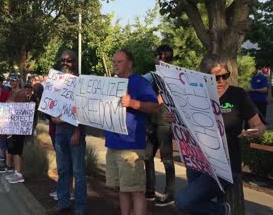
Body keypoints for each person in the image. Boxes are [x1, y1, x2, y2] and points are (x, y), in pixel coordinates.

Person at [174, 54, 266, 215]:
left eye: (225, 76)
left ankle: (221, 210)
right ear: (204, 76)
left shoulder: (238, 95)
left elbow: (258, 125)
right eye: (215, 78)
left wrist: (257, 130)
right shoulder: (195, 95)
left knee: (183, 201)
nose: (221, 81)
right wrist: (173, 118)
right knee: (194, 207)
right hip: (198, 162)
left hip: (226, 166)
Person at [104, 50, 159, 215]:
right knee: (122, 188)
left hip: (131, 146)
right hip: (113, 144)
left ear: (130, 63)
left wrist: (133, 103)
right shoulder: (111, 83)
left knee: (136, 190)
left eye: (119, 61)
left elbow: (155, 106)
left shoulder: (139, 82)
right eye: (114, 62)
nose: (115, 65)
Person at [50, 49, 87, 215]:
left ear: (75, 62)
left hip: (74, 131)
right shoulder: (55, 81)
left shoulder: (80, 82)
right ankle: (63, 202)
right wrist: (52, 118)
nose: (65, 63)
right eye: (63, 60)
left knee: (78, 171)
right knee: (63, 169)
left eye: (69, 60)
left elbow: (83, 110)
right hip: (59, 131)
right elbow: (50, 105)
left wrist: (77, 132)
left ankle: (80, 207)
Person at [143, 45, 176, 207]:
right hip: (152, 122)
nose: (162, 60)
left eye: (166, 58)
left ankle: (170, 194)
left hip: (164, 124)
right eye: (160, 57)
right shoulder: (152, 75)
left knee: (167, 160)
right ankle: (149, 190)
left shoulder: (176, 76)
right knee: (147, 156)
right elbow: (138, 83)